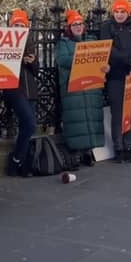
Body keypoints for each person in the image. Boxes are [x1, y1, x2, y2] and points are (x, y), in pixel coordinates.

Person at [56, 10, 105, 162]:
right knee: (75, 119)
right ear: (69, 27)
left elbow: (100, 59)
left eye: (80, 24)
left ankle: (89, 150)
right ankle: (75, 152)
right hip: (73, 85)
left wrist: (104, 66)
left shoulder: (92, 40)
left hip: (91, 85)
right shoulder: (63, 43)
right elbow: (62, 60)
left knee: (90, 117)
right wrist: (83, 55)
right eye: (74, 24)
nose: (78, 27)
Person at [100, 0, 131, 163]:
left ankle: (128, 146)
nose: (119, 14)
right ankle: (118, 147)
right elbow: (109, 50)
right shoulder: (106, 27)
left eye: (122, 11)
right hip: (116, 76)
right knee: (117, 113)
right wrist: (130, 61)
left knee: (130, 113)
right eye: (116, 11)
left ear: (127, 12)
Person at [4, 10, 38, 176]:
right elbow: (2, 68)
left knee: (29, 127)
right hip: (15, 89)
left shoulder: (31, 42)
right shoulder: (5, 42)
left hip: (30, 88)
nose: (18, 28)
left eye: (21, 25)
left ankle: (21, 163)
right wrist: (19, 60)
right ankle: (16, 159)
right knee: (30, 124)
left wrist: (32, 62)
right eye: (15, 25)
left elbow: (37, 71)